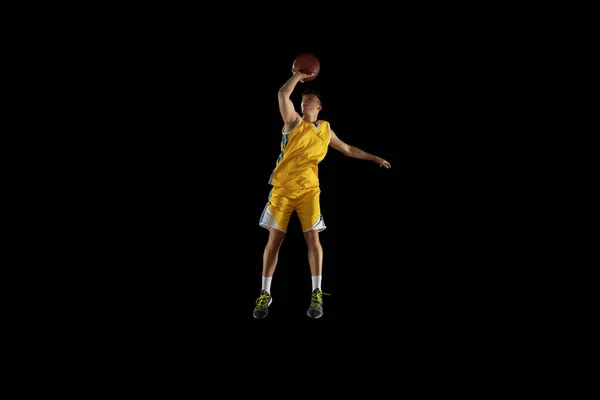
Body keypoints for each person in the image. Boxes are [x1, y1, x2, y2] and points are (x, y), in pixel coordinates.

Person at [253, 69, 391, 320]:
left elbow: (348, 148)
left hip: (309, 192)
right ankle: (265, 293)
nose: (304, 101)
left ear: (320, 106)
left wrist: (375, 158)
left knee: (313, 239)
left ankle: (316, 292)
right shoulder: (293, 122)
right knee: (274, 242)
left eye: (310, 100)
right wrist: (297, 75)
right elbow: (283, 94)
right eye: (303, 100)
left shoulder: (325, 130)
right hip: (283, 191)